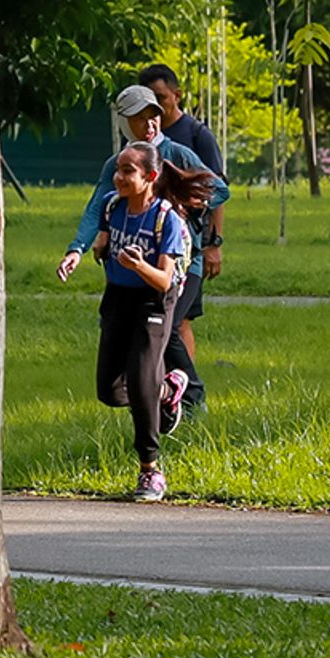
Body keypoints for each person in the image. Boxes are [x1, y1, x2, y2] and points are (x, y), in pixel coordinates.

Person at [58, 84, 230, 415]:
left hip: (183, 262)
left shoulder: (178, 154)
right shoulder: (119, 165)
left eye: (154, 116)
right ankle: (166, 398)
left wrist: (182, 205)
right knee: (144, 339)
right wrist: (77, 249)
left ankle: (192, 398)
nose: (150, 124)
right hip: (139, 268)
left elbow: (220, 190)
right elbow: (97, 207)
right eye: (140, 118)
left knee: (171, 328)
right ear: (125, 123)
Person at [82, 141, 218, 501]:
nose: (119, 176)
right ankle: (166, 391)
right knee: (109, 391)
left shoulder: (166, 219)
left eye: (128, 171)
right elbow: (105, 236)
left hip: (153, 299)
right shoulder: (113, 206)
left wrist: (138, 265)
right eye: (118, 169)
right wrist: (101, 245)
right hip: (117, 297)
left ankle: (151, 471)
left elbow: (164, 279)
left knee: (141, 381)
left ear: (150, 177)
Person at [136, 64, 228, 411]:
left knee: (176, 323)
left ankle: (187, 392)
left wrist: (213, 243)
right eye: (147, 102)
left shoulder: (196, 137)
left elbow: (216, 191)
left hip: (190, 248)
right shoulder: (141, 141)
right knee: (166, 323)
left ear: (176, 96)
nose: (153, 110)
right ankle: (170, 389)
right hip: (152, 250)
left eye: (160, 99)